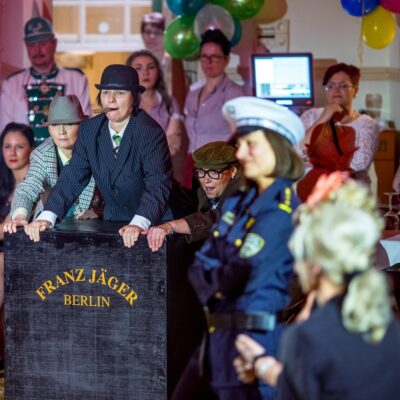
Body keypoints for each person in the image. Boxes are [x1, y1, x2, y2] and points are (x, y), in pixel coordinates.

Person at [179, 97, 304, 400]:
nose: (241, 153)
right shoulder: (237, 202)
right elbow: (201, 270)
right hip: (218, 334)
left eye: (251, 145)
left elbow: (249, 282)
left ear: (276, 150)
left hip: (255, 341)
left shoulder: (281, 212)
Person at [234, 173, 400, 400]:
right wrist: (267, 367)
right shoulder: (388, 325)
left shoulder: (306, 337)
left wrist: (262, 367)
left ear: (315, 265)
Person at [23, 64, 172, 248]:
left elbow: (158, 185)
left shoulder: (149, 131)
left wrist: (138, 224)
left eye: (120, 93)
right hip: (112, 223)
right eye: (106, 92)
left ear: (134, 97)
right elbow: (73, 176)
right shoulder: (89, 129)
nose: (111, 99)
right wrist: (47, 217)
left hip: (152, 225)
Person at [3, 95, 97, 234]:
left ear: (82, 124)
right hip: (49, 225)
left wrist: (98, 211)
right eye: (55, 125)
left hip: (93, 225)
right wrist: (19, 216)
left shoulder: (97, 148)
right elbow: (28, 187)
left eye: (69, 124)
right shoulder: (42, 154)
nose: (61, 132)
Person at [0, 17, 92, 145]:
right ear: (26, 47)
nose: (37, 51)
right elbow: (5, 133)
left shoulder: (77, 80)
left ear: (54, 43)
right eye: (32, 45)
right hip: (26, 157)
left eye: (42, 44)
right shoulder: (11, 84)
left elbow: (86, 128)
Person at [297, 63, 379, 201]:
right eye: (330, 86)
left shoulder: (367, 124)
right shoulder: (310, 116)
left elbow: (358, 164)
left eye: (343, 85)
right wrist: (324, 118)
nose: (336, 90)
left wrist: (312, 161)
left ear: (356, 90)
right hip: (310, 194)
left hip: (350, 197)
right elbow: (297, 152)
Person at [146, 141, 240, 252]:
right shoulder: (200, 180)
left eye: (214, 173)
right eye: (201, 171)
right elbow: (196, 210)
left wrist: (170, 227)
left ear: (233, 171)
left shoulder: (243, 188)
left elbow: (217, 217)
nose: (206, 180)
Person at [182, 29, 243, 187]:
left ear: (226, 60)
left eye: (214, 57)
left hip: (217, 167)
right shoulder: (193, 93)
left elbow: (239, 135)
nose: (208, 62)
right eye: (204, 56)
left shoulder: (233, 93)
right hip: (192, 163)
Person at [127, 49, 188, 183]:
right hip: (129, 175)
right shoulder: (124, 103)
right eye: (138, 68)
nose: (145, 73)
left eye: (151, 67)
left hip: (161, 173)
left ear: (158, 71)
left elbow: (173, 143)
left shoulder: (170, 102)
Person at [0, 122, 34, 308]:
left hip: (28, 248)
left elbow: (6, 230)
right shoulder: (5, 182)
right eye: (7, 146)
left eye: (19, 146)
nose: (12, 153)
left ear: (31, 149)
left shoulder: (33, 183)